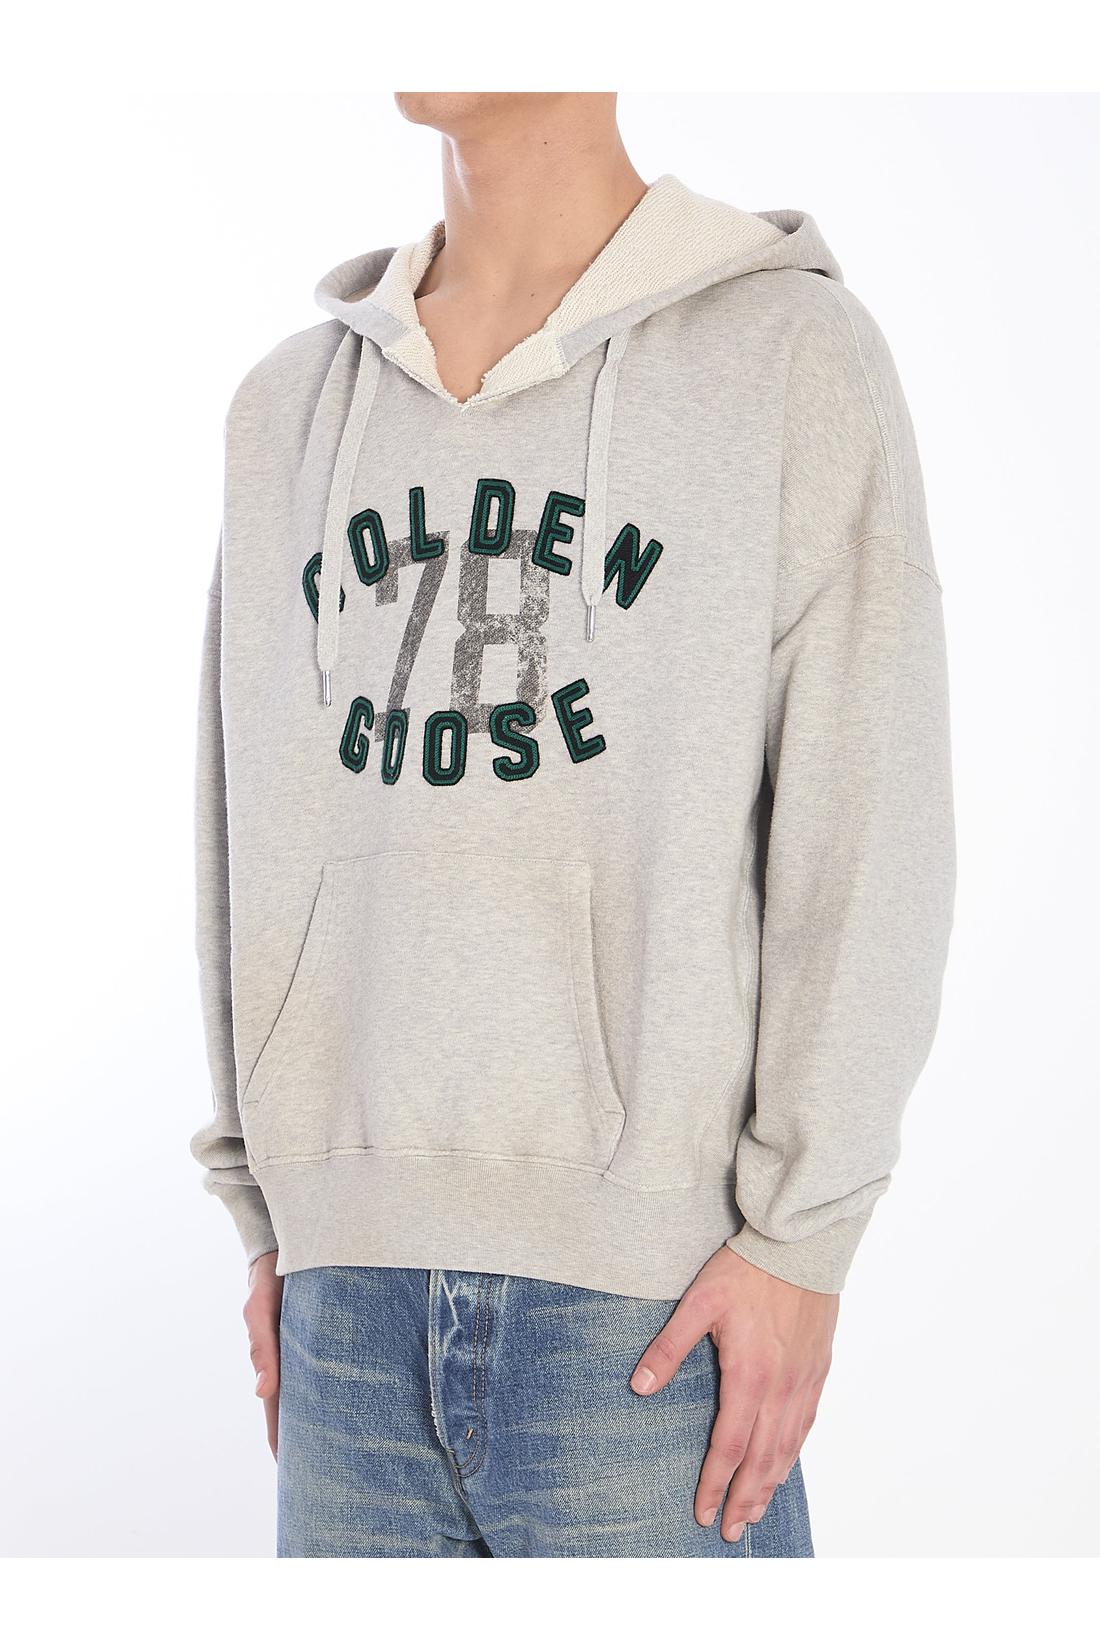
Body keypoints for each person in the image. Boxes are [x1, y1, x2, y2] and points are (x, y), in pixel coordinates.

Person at [191, 91, 955, 1559]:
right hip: (342, 1308)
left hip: (648, 1319)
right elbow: (237, 815)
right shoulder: (286, 409)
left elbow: (871, 824)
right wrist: (278, 1211)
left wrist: (804, 1238)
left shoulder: (787, 358)